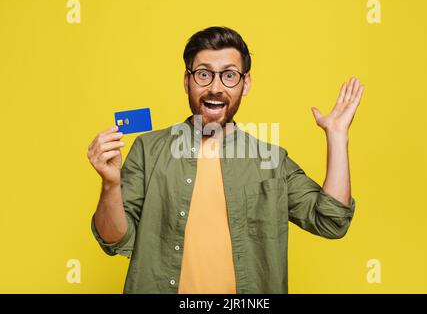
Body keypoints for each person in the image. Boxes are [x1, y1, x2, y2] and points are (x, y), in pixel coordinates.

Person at [87, 26, 364, 294]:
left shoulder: (271, 160)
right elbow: (113, 240)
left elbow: (332, 221)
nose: (216, 87)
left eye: (229, 76)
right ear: (187, 81)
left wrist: (337, 137)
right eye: (204, 74)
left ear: (246, 84)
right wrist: (111, 184)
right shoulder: (148, 150)